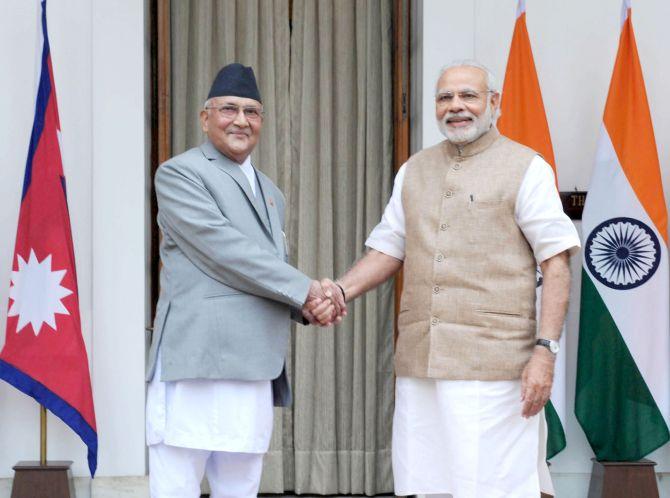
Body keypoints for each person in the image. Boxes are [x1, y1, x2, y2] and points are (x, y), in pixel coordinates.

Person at [316, 60, 580, 497]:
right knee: (426, 484)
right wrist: (340, 290)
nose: (456, 106)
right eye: (445, 98)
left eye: (468, 96)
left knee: (497, 487)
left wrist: (545, 353)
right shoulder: (413, 170)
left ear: (493, 103)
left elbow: (556, 264)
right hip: (421, 365)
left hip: (495, 368)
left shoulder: (526, 168)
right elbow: (388, 247)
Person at [145, 63, 343, 498]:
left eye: (252, 111)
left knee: (241, 488)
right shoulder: (180, 173)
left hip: (253, 364)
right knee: (175, 484)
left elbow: (266, 267)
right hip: (195, 360)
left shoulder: (271, 191)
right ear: (205, 117)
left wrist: (305, 304)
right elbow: (224, 251)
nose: (241, 120)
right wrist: (307, 289)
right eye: (229, 109)